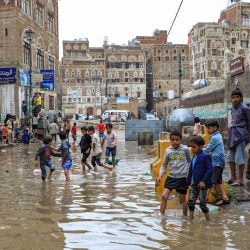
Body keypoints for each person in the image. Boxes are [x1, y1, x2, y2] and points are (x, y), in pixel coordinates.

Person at [156, 131, 191, 215]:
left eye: (177, 140)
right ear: (170, 140)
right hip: (171, 177)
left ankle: (185, 217)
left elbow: (190, 162)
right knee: (164, 196)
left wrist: (189, 174)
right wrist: (160, 175)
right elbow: (164, 164)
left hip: (182, 178)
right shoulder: (168, 151)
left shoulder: (185, 149)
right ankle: (161, 218)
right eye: (173, 140)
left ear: (181, 140)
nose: (175, 142)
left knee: (182, 199)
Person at [204, 119, 230, 206]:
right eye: (207, 128)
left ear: (215, 127)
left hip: (217, 162)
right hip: (219, 162)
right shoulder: (217, 135)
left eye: (209, 128)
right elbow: (211, 146)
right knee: (218, 182)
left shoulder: (215, 137)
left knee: (211, 181)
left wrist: (199, 150)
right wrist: (206, 146)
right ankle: (225, 197)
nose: (208, 130)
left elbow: (207, 150)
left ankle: (204, 198)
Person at [227, 88, 250, 185]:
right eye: (233, 97)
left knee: (239, 157)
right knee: (230, 157)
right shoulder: (232, 109)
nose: (235, 99)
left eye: (237, 97)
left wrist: (248, 136)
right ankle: (233, 177)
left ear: (241, 98)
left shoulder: (245, 108)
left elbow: (249, 123)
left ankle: (241, 179)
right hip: (233, 134)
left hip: (241, 134)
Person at [187, 136, 213, 221]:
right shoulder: (194, 156)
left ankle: (208, 221)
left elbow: (210, 170)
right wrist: (188, 182)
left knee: (202, 204)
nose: (192, 149)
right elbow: (191, 170)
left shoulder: (205, 156)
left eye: (194, 147)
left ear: (201, 147)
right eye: (191, 147)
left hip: (202, 185)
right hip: (194, 184)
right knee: (191, 202)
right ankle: (190, 220)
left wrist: (204, 181)